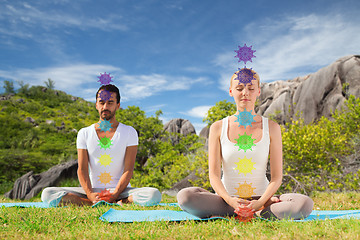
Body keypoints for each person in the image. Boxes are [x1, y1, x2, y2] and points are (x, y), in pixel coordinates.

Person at [177, 69, 313, 219]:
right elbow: (214, 176)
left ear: (258, 91)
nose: (245, 93)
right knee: (185, 197)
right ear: (231, 91)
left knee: (304, 203)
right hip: (227, 200)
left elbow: (276, 177)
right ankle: (243, 211)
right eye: (239, 88)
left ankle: (259, 210)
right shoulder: (218, 127)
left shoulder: (272, 128)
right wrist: (230, 200)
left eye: (251, 88)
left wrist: (260, 201)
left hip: (261, 198)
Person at [41, 84, 161, 207]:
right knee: (47, 194)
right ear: (96, 105)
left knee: (154, 194)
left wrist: (115, 194)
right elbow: (82, 169)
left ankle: (120, 201)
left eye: (110, 102)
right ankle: (89, 203)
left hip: (121, 191)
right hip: (93, 191)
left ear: (118, 105)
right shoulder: (84, 133)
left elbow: (128, 170)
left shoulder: (129, 132)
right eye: (101, 102)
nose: (105, 107)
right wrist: (90, 194)